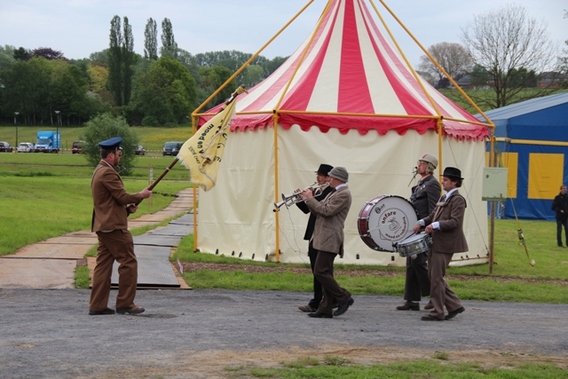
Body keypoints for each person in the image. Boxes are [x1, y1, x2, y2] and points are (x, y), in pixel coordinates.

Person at [89, 137, 152, 316]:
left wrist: (127, 210)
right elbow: (122, 196)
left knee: (103, 265)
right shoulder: (108, 173)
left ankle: (97, 305)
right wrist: (141, 195)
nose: (120, 157)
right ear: (110, 155)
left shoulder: (99, 170)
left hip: (104, 225)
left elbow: (111, 201)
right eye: (118, 154)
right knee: (128, 262)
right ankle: (125, 303)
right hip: (113, 227)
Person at [413, 167, 467, 321]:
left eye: (445, 180)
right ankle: (454, 305)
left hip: (446, 244)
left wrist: (435, 225)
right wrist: (422, 222)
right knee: (434, 275)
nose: (442, 182)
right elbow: (433, 215)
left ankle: (437, 311)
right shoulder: (444, 198)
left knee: (436, 278)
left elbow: (455, 222)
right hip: (437, 242)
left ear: (454, 182)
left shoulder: (457, 200)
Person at [300, 166, 353, 318]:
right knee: (326, 272)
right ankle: (326, 308)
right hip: (322, 236)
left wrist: (310, 198)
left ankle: (343, 297)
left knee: (320, 272)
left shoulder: (343, 194)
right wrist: (305, 200)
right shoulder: (335, 192)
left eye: (330, 177)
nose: (328, 179)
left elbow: (326, 211)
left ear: (337, 179)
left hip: (329, 237)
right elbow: (319, 209)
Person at [396, 153, 440, 312]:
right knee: (412, 264)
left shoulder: (432, 184)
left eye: (422, 163)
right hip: (415, 228)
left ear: (429, 166)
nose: (419, 165)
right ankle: (412, 300)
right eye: (419, 162)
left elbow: (434, 209)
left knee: (419, 263)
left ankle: (434, 296)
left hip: (423, 229)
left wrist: (428, 225)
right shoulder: (422, 183)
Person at [296, 164, 335, 313]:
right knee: (316, 270)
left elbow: (321, 209)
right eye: (317, 174)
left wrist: (309, 197)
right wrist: (300, 199)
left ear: (328, 177)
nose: (317, 178)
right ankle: (322, 300)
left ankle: (324, 300)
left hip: (323, 235)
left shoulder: (330, 192)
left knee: (321, 271)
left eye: (320, 175)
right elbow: (308, 210)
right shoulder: (319, 191)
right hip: (314, 234)